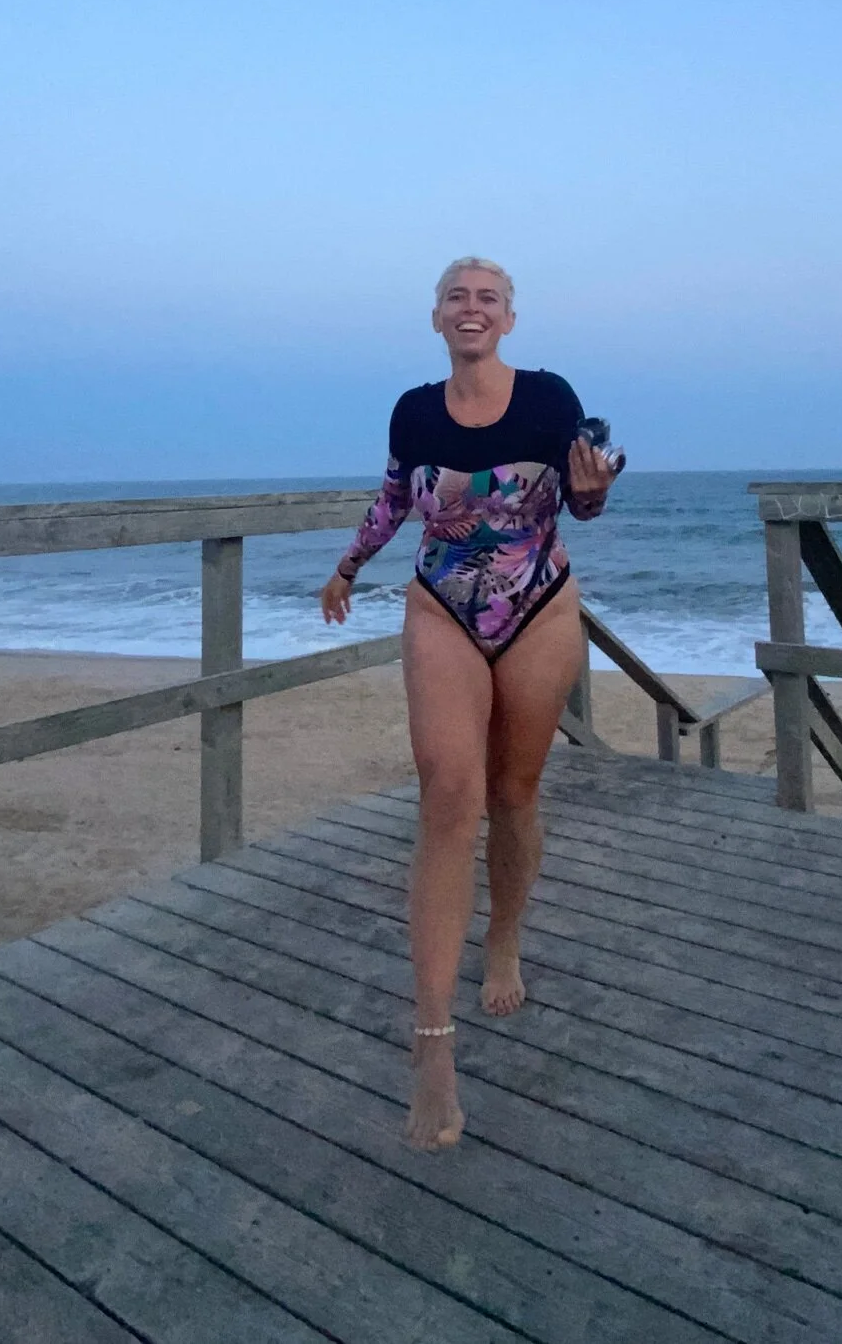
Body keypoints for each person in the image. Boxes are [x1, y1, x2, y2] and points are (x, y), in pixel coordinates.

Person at [319, 256, 620, 1149]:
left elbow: (581, 498)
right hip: (441, 607)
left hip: (539, 607)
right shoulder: (414, 410)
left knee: (513, 793)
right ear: (437, 317)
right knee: (449, 796)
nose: (472, 307)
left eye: (489, 297)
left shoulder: (549, 397)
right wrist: (347, 566)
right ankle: (432, 1044)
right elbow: (392, 500)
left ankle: (505, 936)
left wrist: (594, 493)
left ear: (510, 319)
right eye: (458, 295)